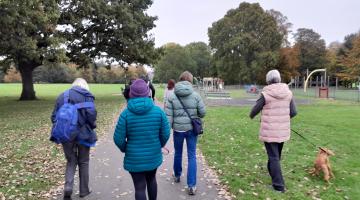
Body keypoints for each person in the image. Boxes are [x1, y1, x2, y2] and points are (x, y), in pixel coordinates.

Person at [113, 79, 170, 200]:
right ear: (148, 93)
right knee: (151, 179)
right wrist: (159, 144)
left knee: (139, 187)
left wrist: (125, 148)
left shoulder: (126, 114)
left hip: (134, 158)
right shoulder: (158, 112)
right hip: (153, 156)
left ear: (130, 94)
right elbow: (166, 133)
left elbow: (118, 139)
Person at [249, 69, 297, 193]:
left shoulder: (266, 94)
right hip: (282, 131)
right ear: (279, 79)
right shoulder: (288, 93)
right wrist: (282, 120)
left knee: (274, 157)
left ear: (268, 81)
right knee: (276, 156)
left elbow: (254, 111)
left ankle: (278, 186)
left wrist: (252, 115)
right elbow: (293, 112)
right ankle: (273, 173)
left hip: (270, 130)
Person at [50, 78, 97, 200]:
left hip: (66, 134)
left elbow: (54, 116)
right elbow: (92, 116)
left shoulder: (62, 96)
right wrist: (92, 126)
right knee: (84, 161)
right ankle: (84, 190)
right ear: (85, 86)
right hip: (83, 134)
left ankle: (68, 188)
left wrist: (63, 127)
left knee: (71, 160)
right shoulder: (87, 96)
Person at [165, 71, 206, 195]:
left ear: (180, 80)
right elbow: (203, 113)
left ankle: (177, 175)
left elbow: (168, 118)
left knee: (178, 153)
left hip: (178, 130)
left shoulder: (171, 96)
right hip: (191, 130)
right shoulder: (196, 95)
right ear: (190, 81)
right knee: (192, 155)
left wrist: (168, 129)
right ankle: (192, 185)